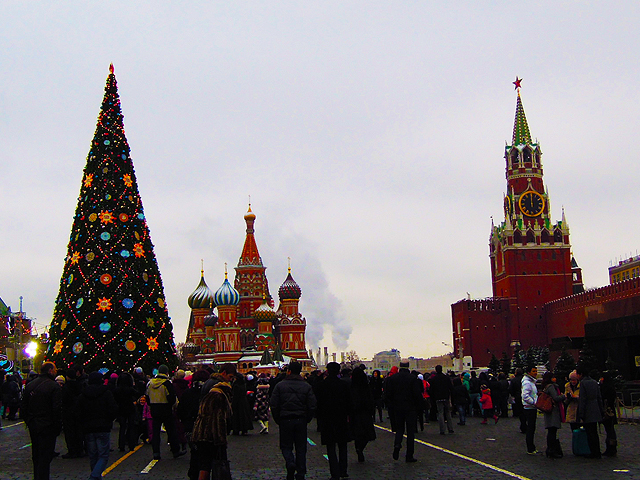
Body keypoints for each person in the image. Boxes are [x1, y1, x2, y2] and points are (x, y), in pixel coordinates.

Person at [270, 361, 317, 480]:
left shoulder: (280, 385)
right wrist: (307, 419)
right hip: (300, 419)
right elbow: (312, 405)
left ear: (289, 371)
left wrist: (278, 419)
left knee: (286, 446)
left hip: (285, 420)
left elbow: (274, 404)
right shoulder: (306, 386)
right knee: (301, 448)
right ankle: (300, 473)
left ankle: (290, 463)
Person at [21, 362, 62, 480]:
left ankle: (37, 476)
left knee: (37, 455)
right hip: (47, 425)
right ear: (50, 370)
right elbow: (56, 409)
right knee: (45, 457)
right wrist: (57, 425)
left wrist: (29, 420)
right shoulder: (53, 386)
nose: (55, 372)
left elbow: (24, 406)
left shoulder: (30, 385)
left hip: (34, 423)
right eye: (54, 370)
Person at [76, 371, 119, 480]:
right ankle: (94, 476)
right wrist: (109, 420)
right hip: (103, 427)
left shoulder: (83, 394)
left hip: (88, 428)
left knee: (93, 455)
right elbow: (113, 409)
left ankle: (96, 475)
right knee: (103, 455)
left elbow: (78, 412)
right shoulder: (106, 393)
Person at [191, 372, 233, 480]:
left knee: (204, 465)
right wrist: (221, 440)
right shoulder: (220, 397)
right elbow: (219, 420)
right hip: (212, 435)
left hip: (201, 433)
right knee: (216, 464)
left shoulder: (210, 394)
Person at [315, 361, 352, 479]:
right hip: (341, 418)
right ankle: (343, 470)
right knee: (342, 446)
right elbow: (349, 402)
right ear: (338, 371)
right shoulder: (344, 385)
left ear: (327, 371)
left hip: (327, 419)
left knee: (330, 447)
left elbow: (318, 403)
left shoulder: (321, 385)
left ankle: (334, 472)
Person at [384, 361, 423, 462]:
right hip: (410, 408)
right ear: (408, 366)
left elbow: (388, 394)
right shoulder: (412, 378)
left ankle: (397, 444)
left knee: (399, 429)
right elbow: (417, 394)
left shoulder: (393, 378)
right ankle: (409, 455)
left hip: (397, 407)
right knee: (410, 432)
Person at [146, 364, 186, 460]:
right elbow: (171, 398)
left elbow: (147, 397)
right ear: (167, 372)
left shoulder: (150, 383)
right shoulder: (167, 383)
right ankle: (175, 450)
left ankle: (156, 452)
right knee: (171, 431)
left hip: (154, 408)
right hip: (166, 409)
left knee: (155, 432)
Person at [177, 369, 211, 480]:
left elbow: (180, 411)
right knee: (205, 456)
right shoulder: (210, 393)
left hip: (190, 427)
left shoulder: (188, 393)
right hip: (206, 428)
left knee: (195, 452)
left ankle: (193, 474)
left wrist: (185, 422)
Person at [577, 366, 604, 458]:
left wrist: (581, 413)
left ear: (581, 374)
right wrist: (601, 410)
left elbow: (583, 399)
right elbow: (599, 397)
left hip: (588, 410)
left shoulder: (583, 383)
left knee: (589, 433)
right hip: (596, 409)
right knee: (595, 432)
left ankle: (593, 452)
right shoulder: (594, 382)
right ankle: (597, 451)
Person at [350, 368, 376, 463]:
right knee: (366, 434)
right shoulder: (366, 387)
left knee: (357, 434)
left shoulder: (351, 386)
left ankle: (358, 448)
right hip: (365, 413)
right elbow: (370, 400)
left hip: (355, 414)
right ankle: (360, 448)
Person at [61, 364, 86, 459]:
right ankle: (80, 450)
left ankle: (72, 450)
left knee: (70, 433)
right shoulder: (79, 385)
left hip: (68, 412)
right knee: (78, 431)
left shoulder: (66, 388)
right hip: (78, 412)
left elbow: (63, 400)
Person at [541, 372, 565, 458]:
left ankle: (550, 449)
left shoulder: (546, 386)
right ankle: (551, 450)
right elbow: (556, 398)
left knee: (551, 431)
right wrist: (564, 396)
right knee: (552, 431)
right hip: (553, 411)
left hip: (549, 411)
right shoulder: (551, 387)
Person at [114, 372, 140, 452]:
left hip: (121, 409)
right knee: (131, 426)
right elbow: (138, 394)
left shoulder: (117, 390)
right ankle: (131, 444)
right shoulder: (130, 389)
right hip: (130, 408)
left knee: (122, 427)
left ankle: (121, 445)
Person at [429, 365, 455, 435]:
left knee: (440, 413)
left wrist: (433, 398)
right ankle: (450, 428)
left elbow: (431, 390)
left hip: (438, 397)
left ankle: (442, 430)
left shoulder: (433, 379)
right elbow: (451, 387)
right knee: (448, 413)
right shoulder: (446, 378)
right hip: (446, 396)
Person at [521, 364, 539, 454]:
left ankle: (531, 447)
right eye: (533, 371)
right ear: (529, 372)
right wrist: (534, 402)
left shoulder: (531, 382)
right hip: (529, 408)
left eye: (536, 371)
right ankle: (530, 448)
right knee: (530, 428)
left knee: (532, 428)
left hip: (531, 407)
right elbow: (525, 396)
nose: (536, 373)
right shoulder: (527, 383)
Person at [599, 372, 618, 457]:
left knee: (609, 430)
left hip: (607, 411)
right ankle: (612, 447)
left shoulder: (605, 388)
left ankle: (610, 448)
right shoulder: (611, 387)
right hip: (611, 411)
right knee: (610, 430)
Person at [510, 368, 526, 433]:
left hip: (518, 397)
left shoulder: (514, 380)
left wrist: (514, 395)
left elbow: (511, 389)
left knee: (521, 412)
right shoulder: (525, 379)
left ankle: (523, 426)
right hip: (525, 396)